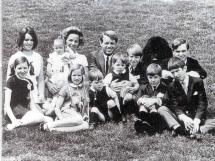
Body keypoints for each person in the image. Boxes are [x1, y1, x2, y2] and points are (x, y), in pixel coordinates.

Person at [167, 57, 215, 137]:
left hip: (196, 115)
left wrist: (196, 120)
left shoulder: (197, 82)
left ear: (185, 68)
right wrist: (184, 118)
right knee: (165, 111)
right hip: (183, 117)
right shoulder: (171, 86)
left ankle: (197, 128)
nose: (175, 75)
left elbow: (202, 102)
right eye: (173, 73)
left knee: (210, 121)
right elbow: (175, 106)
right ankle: (185, 129)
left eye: (177, 71)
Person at [4, 57, 53, 131]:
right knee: (41, 118)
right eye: (19, 68)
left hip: (25, 110)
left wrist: (39, 114)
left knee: (49, 119)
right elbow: (6, 105)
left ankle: (19, 123)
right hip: (13, 110)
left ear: (29, 68)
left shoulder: (29, 81)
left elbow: (32, 103)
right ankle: (15, 123)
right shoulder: (11, 81)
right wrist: (13, 119)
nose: (22, 71)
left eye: (25, 68)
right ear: (14, 68)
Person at [40, 64, 89, 132]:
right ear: (70, 76)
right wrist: (61, 118)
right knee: (79, 119)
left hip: (78, 115)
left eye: (79, 75)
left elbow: (85, 105)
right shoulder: (66, 88)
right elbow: (57, 107)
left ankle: (52, 128)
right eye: (74, 75)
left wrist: (85, 115)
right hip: (66, 113)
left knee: (86, 125)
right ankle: (53, 124)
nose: (77, 78)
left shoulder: (84, 88)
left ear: (83, 76)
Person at [6, 26, 45, 104]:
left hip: (35, 95)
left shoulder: (38, 57)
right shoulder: (15, 57)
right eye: (26, 40)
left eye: (31, 40)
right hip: (20, 98)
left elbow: (40, 79)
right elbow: (9, 81)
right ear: (21, 40)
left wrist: (41, 95)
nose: (29, 42)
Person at [104, 52, 139, 122]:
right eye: (118, 65)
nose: (120, 67)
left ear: (125, 65)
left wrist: (134, 88)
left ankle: (129, 114)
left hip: (125, 94)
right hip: (115, 95)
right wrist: (111, 90)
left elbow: (136, 83)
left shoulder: (128, 74)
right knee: (112, 102)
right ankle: (118, 115)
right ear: (113, 65)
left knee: (129, 97)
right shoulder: (111, 75)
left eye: (122, 65)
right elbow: (105, 85)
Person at [134, 63, 168, 135]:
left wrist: (154, 101)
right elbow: (137, 98)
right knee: (142, 106)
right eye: (150, 77)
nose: (153, 80)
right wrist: (143, 100)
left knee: (155, 107)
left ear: (160, 76)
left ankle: (152, 127)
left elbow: (165, 98)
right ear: (147, 77)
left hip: (156, 112)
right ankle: (142, 125)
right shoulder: (144, 87)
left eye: (155, 77)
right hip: (145, 109)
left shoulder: (164, 87)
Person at [43, 36, 68, 115]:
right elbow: (49, 64)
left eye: (60, 48)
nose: (58, 50)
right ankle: (49, 101)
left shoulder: (66, 55)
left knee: (58, 89)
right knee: (50, 83)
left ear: (64, 47)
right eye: (56, 48)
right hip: (54, 74)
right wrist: (48, 70)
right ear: (53, 47)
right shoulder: (52, 55)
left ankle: (53, 105)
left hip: (62, 75)